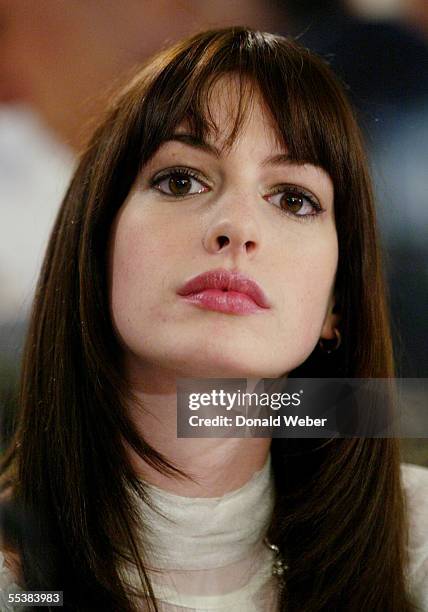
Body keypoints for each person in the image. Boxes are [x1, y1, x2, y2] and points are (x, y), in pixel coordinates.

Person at [0, 26, 427, 611]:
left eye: (293, 198)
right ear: (97, 250)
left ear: (336, 303)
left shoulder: (418, 545)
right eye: (181, 180)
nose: (237, 228)